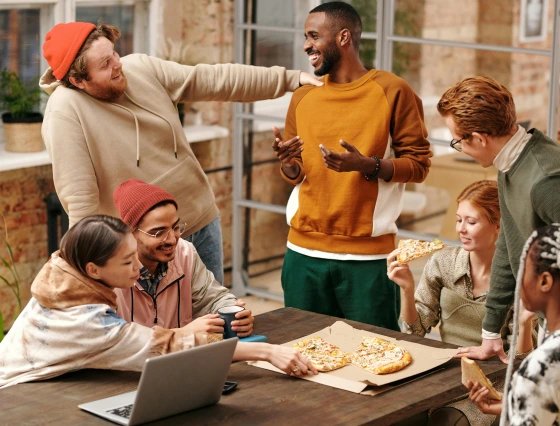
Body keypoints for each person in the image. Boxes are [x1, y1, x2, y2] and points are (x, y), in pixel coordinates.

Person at [40, 22, 323, 285]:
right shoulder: (65, 113)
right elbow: (80, 201)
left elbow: (212, 79)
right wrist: (92, 270)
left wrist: (290, 79)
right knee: (165, 332)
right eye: (105, 64)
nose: (118, 65)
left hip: (199, 219)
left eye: (114, 53)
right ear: (78, 80)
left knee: (215, 320)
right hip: (144, 247)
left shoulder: (139, 67)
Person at [0, 215, 316, 389]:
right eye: (126, 263)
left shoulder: (65, 276)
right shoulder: (87, 320)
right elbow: (168, 347)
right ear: (94, 269)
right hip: (19, 399)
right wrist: (266, 351)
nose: (138, 269)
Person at [271, 1, 432, 329]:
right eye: (305, 37)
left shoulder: (392, 91)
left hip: (367, 260)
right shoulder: (302, 96)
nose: (306, 45)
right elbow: (297, 174)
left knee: (372, 358)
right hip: (303, 253)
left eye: (314, 36)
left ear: (343, 37)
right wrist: (288, 164)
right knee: (304, 353)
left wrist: (369, 165)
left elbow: (419, 164)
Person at [437, 76, 560, 362]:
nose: (459, 148)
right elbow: (508, 247)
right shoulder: (509, 164)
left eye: (458, 141)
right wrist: (490, 333)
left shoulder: (546, 182)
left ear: (480, 139)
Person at [387, 180, 536, 426]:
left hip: (495, 380)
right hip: (444, 372)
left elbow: (521, 362)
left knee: (448, 421)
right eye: (459, 220)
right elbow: (414, 331)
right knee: (397, 416)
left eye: (472, 222)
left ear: (498, 225)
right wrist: (407, 289)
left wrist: (526, 321)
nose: (461, 229)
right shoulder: (442, 263)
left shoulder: (521, 276)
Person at [112, 178, 252, 336]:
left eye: (175, 227)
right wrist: (183, 333)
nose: (172, 240)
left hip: (184, 358)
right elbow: (112, 343)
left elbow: (211, 297)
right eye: (159, 232)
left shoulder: (185, 252)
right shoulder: (109, 273)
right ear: (131, 233)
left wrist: (236, 314)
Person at [467, 224, 560, 426]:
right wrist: (515, 403)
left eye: (522, 270)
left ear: (545, 281)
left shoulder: (543, 364)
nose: (517, 280)